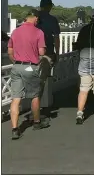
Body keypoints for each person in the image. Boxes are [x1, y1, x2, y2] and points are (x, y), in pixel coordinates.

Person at [7, 9, 50, 140]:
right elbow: (41, 53)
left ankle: (15, 129)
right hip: (30, 67)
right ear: (35, 18)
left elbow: (10, 51)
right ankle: (37, 122)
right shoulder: (38, 32)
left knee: (16, 98)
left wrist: (16, 62)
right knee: (35, 96)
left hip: (16, 67)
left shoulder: (15, 31)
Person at [36, 0, 61, 116]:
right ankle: (40, 109)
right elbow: (56, 37)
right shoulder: (52, 20)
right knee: (43, 80)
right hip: (47, 53)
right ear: (49, 6)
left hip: (32, 54)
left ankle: (34, 107)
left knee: (33, 81)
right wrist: (58, 53)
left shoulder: (34, 18)